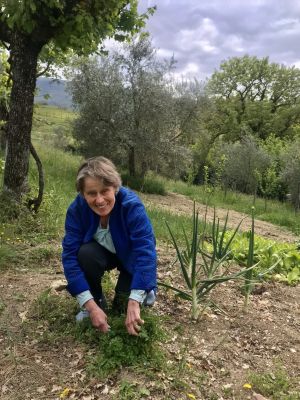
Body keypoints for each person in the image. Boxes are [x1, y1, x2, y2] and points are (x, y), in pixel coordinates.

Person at [62, 156, 157, 336]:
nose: (99, 200)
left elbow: (145, 251)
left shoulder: (132, 206)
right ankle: (96, 300)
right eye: (91, 193)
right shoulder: (77, 210)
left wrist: (134, 301)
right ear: (83, 194)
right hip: (101, 253)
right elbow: (69, 257)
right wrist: (90, 306)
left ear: (115, 188)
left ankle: (145, 290)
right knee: (85, 254)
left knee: (123, 307)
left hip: (131, 257)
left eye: (105, 191)